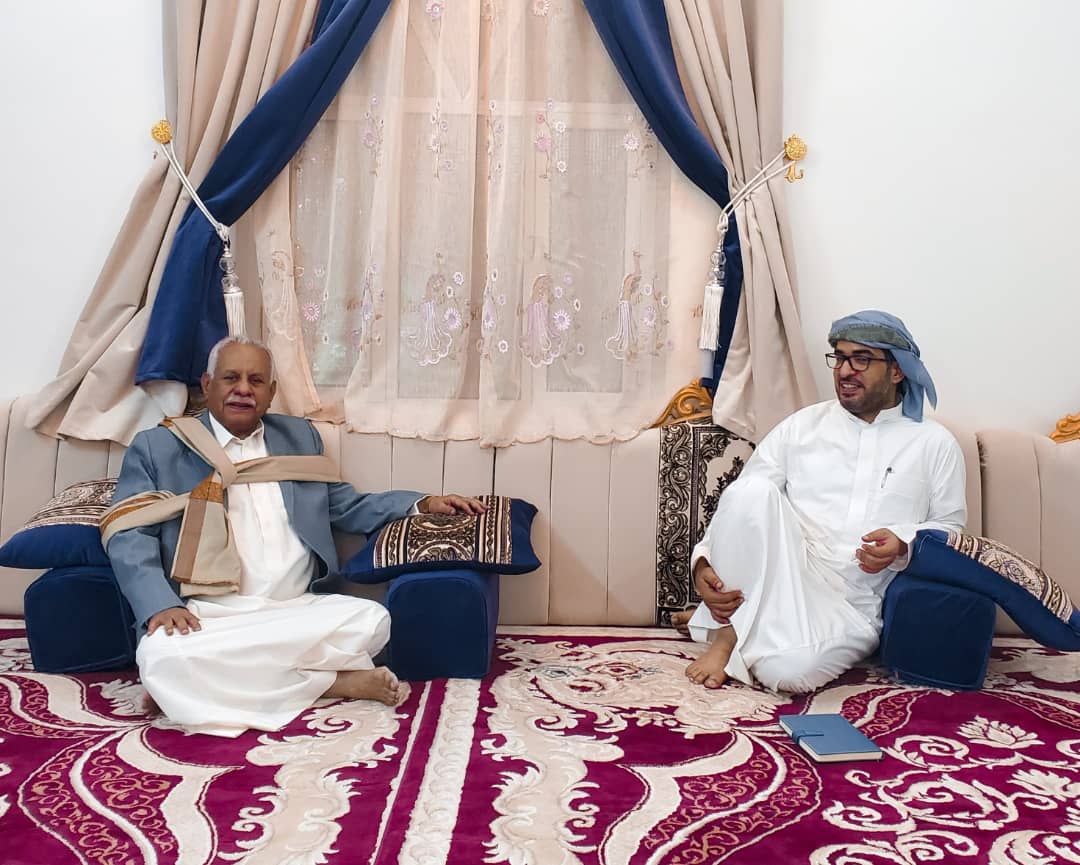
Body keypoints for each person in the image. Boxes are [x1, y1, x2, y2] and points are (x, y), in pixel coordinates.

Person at [105, 336, 486, 737]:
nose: (243, 389)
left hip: (297, 610)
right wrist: (159, 604)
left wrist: (421, 503)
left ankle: (198, 683)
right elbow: (129, 531)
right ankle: (332, 682)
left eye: (256, 381)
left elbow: (344, 505)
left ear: (271, 392)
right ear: (207, 384)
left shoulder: (298, 438)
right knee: (162, 652)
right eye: (231, 378)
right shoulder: (159, 446)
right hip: (209, 614)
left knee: (374, 621)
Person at [681, 310, 967, 693]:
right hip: (787, 570)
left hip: (853, 603)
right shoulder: (801, 427)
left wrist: (903, 543)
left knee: (788, 673)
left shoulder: (935, 443)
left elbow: (951, 529)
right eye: (840, 357)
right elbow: (742, 503)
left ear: (897, 370)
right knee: (753, 490)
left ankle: (734, 623)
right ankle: (726, 635)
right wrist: (703, 562)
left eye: (861, 359)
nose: (845, 371)